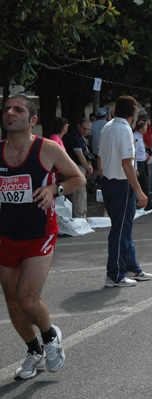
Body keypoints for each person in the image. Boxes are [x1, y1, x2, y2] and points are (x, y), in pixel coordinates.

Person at [0, 95, 86, 379]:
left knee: (26, 298)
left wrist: (54, 190)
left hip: (40, 233)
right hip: (7, 234)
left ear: (32, 120)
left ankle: (50, 337)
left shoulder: (47, 149)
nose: (10, 112)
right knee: (12, 301)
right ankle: (33, 350)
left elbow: (78, 178)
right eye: (7, 109)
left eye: (18, 109)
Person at [98, 95, 152, 287]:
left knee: (123, 227)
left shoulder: (108, 127)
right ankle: (115, 275)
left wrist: (104, 176)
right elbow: (127, 163)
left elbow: (100, 157)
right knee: (120, 231)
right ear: (132, 112)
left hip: (109, 182)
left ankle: (132, 267)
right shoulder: (124, 130)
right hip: (121, 183)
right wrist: (139, 191)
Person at [64, 118, 94, 218]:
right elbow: (80, 157)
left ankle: (82, 214)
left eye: (88, 129)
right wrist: (88, 167)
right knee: (79, 193)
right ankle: (78, 216)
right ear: (78, 126)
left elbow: (86, 155)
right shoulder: (75, 138)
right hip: (76, 167)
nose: (86, 131)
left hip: (81, 167)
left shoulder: (81, 138)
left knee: (82, 193)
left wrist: (89, 165)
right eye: (84, 128)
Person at [133, 120, 150, 203]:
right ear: (143, 127)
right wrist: (135, 168)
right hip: (139, 163)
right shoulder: (136, 137)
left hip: (143, 162)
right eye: (146, 126)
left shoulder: (140, 136)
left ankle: (146, 203)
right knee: (139, 184)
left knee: (145, 184)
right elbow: (134, 154)